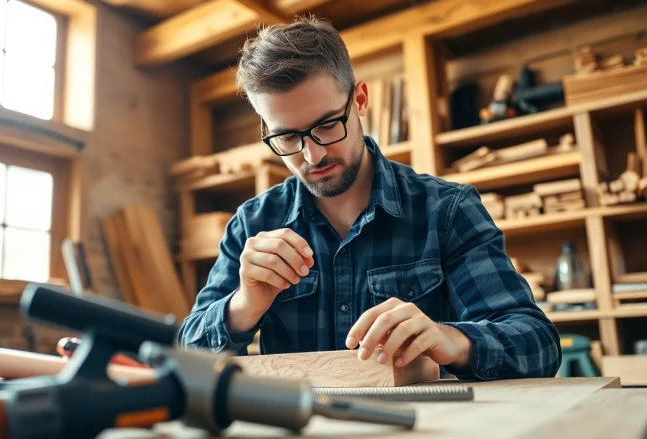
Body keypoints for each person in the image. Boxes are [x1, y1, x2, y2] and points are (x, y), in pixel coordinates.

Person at [177, 16, 561, 381]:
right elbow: (183, 356)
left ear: (359, 100)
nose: (312, 155)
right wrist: (244, 305)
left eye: (328, 125)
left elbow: (539, 345)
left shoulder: (447, 210)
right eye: (287, 137)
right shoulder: (252, 224)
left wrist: (451, 340)